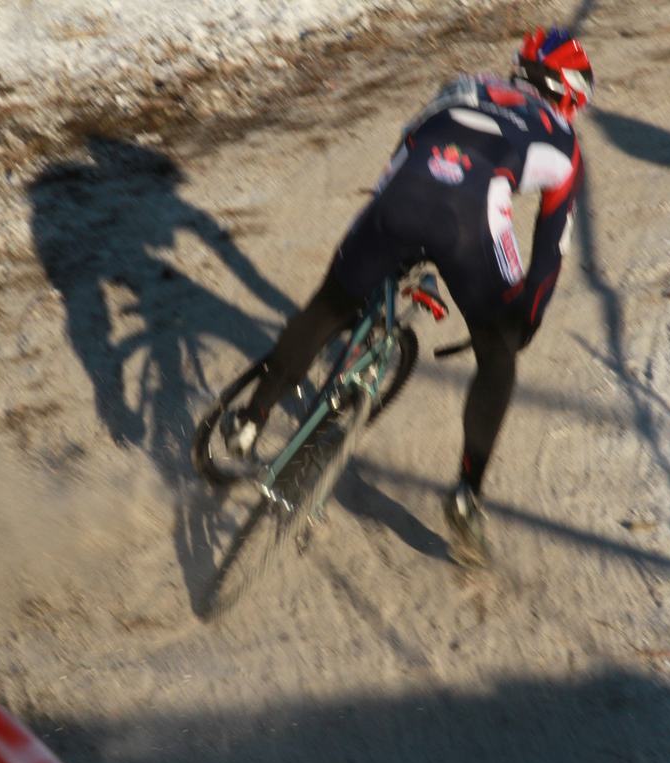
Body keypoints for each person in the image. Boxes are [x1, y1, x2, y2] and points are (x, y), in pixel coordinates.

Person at [222, 27, 594, 567]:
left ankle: (250, 418)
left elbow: (403, 151)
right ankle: (468, 493)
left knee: (328, 305)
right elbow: (550, 248)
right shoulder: (562, 137)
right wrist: (524, 321)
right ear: (568, 91)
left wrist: (384, 234)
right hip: (471, 222)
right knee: (498, 358)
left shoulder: (465, 83)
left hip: (402, 196)